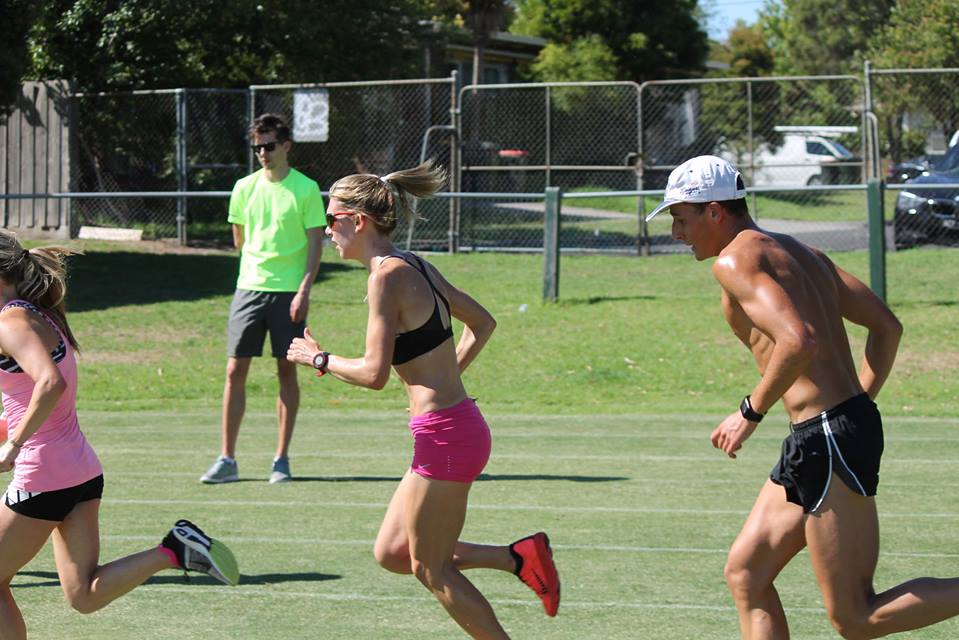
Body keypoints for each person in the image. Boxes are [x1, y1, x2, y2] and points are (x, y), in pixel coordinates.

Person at [647, 154, 959, 639]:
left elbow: (799, 339)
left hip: (827, 436)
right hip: (825, 433)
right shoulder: (801, 251)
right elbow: (886, 327)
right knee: (747, 573)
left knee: (855, 617)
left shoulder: (735, 260)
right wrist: (857, 403)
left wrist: (749, 412)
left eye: (680, 218)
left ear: (714, 211)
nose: (676, 232)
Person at [286, 161, 560, 638]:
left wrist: (319, 359)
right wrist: (441, 384)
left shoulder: (384, 278)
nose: (326, 230)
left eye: (331, 219)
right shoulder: (414, 263)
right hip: (453, 428)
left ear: (358, 221)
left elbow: (373, 374)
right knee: (393, 551)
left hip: (447, 436)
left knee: (431, 569)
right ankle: (517, 556)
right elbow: (485, 322)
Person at [0, 232, 239, 639]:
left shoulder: (9, 321)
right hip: (80, 472)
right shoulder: (33, 313)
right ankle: (173, 550)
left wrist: (14, 443)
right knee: (84, 594)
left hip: (43, 476)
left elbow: (49, 383)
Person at [201, 113, 325, 484]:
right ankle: (227, 459)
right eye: (257, 147)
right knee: (234, 371)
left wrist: (303, 290)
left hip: (289, 293)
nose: (263, 153)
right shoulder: (243, 188)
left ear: (286, 146)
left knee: (286, 370)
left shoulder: (306, 188)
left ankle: (281, 461)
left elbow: (316, 245)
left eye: (269, 146)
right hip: (249, 288)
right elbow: (239, 240)